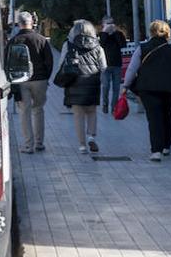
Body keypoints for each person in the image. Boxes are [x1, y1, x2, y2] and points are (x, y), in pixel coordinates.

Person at [123, 19, 171, 162]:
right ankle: (167, 146)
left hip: (148, 88)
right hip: (170, 88)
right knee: (167, 116)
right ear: (167, 32)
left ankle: (156, 151)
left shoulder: (142, 48)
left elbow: (132, 69)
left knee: (154, 118)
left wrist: (125, 85)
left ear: (151, 32)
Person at [9, 11, 54, 153]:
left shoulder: (14, 40)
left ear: (19, 24)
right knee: (38, 110)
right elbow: (50, 61)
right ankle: (39, 143)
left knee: (24, 112)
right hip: (40, 80)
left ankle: (28, 145)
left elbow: (7, 61)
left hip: (21, 81)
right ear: (32, 23)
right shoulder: (41, 40)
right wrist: (45, 77)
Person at [60, 20, 107, 154]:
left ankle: (82, 145)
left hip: (74, 83)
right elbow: (104, 66)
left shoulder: (68, 45)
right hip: (92, 84)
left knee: (78, 115)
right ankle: (91, 136)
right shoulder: (98, 46)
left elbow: (61, 63)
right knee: (92, 112)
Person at [97, 18, 127, 114]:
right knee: (105, 86)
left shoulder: (119, 34)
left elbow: (122, 45)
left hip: (117, 64)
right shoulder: (101, 35)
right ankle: (105, 105)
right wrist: (105, 33)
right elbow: (101, 45)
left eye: (112, 23)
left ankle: (114, 106)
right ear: (103, 24)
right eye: (108, 23)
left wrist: (116, 33)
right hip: (105, 65)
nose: (110, 25)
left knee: (116, 87)